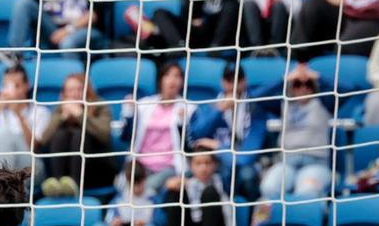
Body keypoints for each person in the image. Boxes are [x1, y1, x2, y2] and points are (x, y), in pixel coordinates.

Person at [187, 63, 267, 200]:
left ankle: (249, 218)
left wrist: (218, 146)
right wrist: (218, 111)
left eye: (238, 80)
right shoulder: (210, 107)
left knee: (247, 175)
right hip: (214, 163)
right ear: (222, 82)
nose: (233, 85)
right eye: (229, 80)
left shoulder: (255, 108)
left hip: (242, 164)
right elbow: (196, 136)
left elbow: (246, 158)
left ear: (245, 81)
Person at [259, 64, 332, 200]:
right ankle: (277, 221)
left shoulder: (324, 103)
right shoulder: (284, 104)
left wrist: (317, 77)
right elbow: (258, 97)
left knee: (306, 192)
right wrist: (285, 79)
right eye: (297, 84)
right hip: (287, 162)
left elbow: (347, 89)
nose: (303, 88)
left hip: (315, 162)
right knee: (268, 187)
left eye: (308, 85)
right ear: (292, 88)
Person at [39, 73, 114, 198]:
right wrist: (62, 118)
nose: (74, 94)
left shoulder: (99, 105)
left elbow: (104, 135)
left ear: (87, 90)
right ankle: (59, 183)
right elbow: (44, 140)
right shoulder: (60, 109)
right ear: (64, 94)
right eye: (70, 90)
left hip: (96, 170)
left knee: (79, 135)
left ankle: (75, 184)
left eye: (79, 89)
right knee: (60, 135)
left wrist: (80, 115)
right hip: (65, 174)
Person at [124, 62, 193, 194]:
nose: (172, 80)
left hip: (168, 166)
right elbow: (126, 137)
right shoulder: (144, 105)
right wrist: (129, 115)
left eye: (177, 76)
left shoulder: (189, 108)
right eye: (167, 75)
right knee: (123, 186)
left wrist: (181, 124)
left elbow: (189, 146)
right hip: (141, 165)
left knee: (147, 189)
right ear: (160, 79)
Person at [0, 65, 52, 178]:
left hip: (31, 168)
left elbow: (34, 147)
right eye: (6, 86)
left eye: (16, 86)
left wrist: (18, 114)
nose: (10, 90)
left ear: (27, 85)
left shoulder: (40, 112)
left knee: (4, 133)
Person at [162, 146, 233, 226]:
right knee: (174, 193)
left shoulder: (225, 182)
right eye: (198, 164)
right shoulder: (187, 183)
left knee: (210, 192)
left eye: (207, 163)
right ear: (191, 166)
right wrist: (168, 186)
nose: (203, 168)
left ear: (214, 165)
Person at [83, 160, 158, 226]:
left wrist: (146, 224)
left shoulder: (154, 199)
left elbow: (161, 224)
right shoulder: (118, 199)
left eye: (139, 183)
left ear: (144, 179)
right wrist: (113, 224)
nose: (136, 188)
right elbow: (108, 222)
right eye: (133, 184)